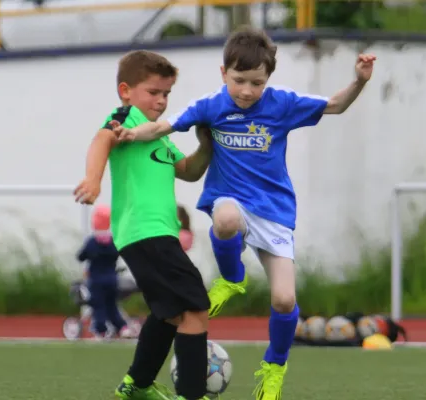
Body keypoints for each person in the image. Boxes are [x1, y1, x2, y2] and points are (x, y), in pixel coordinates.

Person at [112, 27, 377, 400]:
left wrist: (359, 81)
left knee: (285, 300)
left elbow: (335, 105)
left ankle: (274, 367)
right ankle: (232, 278)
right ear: (224, 74)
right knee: (225, 218)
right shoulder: (211, 105)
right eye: (239, 81)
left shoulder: (282, 104)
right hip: (229, 199)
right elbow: (163, 126)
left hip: (273, 211)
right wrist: (131, 134)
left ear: (268, 78)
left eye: (256, 82)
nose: (247, 91)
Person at [73, 50, 213, 400]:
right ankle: (192, 395)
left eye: (166, 94)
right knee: (196, 307)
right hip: (145, 231)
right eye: (154, 92)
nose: (162, 101)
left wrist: (207, 142)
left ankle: (136, 386)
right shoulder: (125, 118)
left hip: (154, 234)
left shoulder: (160, 137)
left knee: (169, 312)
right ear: (126, 91)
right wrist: (93, 180)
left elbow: (190, 171)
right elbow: (101, 140)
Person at [77, 204, 134, 340]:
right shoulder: (114, 241)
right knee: (112, 306)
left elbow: (81, 256)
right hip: (111, 279)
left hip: (96, 280)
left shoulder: (91, 242)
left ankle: (101, 331)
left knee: (99, 307)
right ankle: (123, 328)